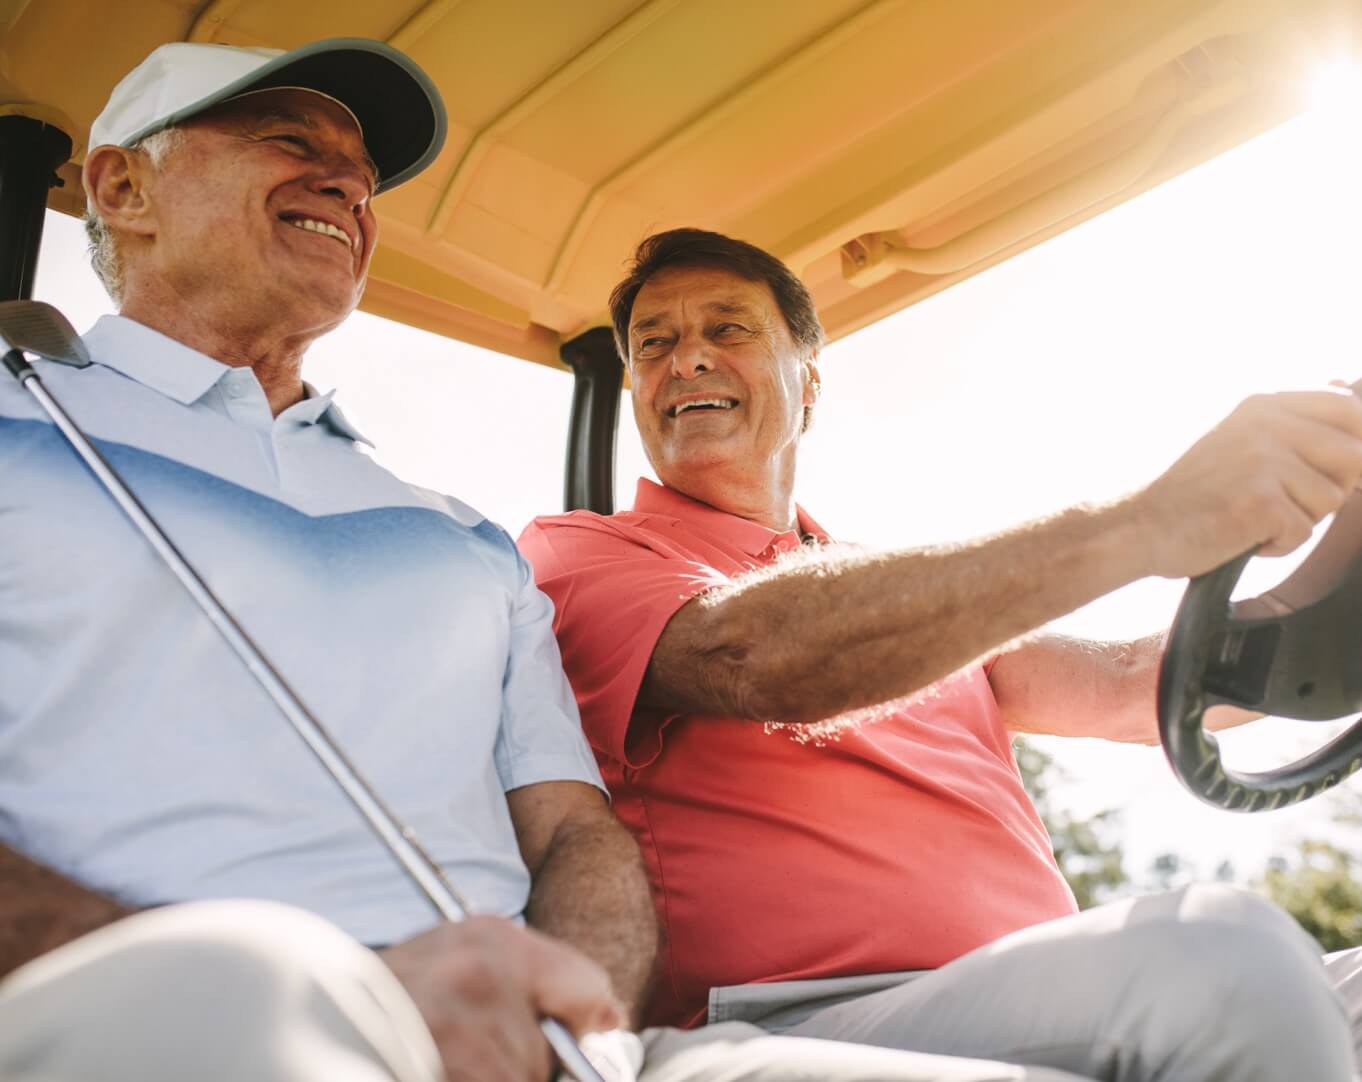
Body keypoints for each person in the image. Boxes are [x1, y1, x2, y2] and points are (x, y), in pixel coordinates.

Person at [0, 41, 1100, 1082]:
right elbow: (753, 649)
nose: (346, 186)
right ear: (122, 188)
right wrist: (347, 997)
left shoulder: (459, 536)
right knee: (257, 989)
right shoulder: (20, 420)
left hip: (525, 1044)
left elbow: (575, 830)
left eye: (363, 178)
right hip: (150, 1009)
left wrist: (582, 1009)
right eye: (291, 141)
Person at [518, 227, 1362, 1082]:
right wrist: (1151, 521)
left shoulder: (905, 601)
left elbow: (1129, 685)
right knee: (1227, 958)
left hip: (1035, 993)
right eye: (654, 343)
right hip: (798, 1019)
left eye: (727, 329)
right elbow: (756, 654)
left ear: (808, 385)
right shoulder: (581, 553)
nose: (686, 359)